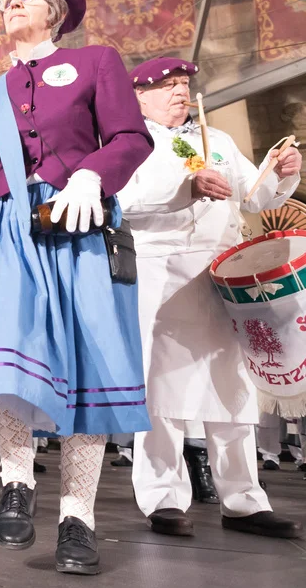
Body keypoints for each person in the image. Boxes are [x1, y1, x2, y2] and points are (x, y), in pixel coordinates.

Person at [0, 0, 154, 575]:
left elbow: (132, 138)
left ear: (56, 9)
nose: (13, 5)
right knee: (2, 354)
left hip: (77, 225)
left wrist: (91, 175)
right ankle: (16, 479)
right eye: (5, 0)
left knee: (86, 365)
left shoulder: (96, 62)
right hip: (2, 233)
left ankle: (78, 517)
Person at [117, 56, 303, 539]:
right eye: (167, 85)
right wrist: (186, 188)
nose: (180, 91)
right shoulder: (126, 142)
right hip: (159, 272)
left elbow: (256, 197)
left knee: (232, 385)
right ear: (139, 96)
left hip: (220, 272)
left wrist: (281, 172)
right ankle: (163, 498)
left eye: (183, 83)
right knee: (159, 387)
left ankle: (244, 500)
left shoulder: (215, 139)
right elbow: (122, 201)